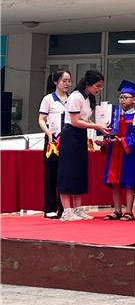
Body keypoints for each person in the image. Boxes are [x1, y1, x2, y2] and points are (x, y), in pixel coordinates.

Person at [58, 70, 110, 222]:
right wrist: (97, 126)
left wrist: (101, 128)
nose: (98, 89)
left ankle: (78, 208)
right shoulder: (76, 96)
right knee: (68, 171)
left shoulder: (88, 98)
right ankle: (66, 210)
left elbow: (86, 120)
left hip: (81, 135)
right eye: (97, 86)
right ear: (88, 84)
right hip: (71, 135)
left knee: (79, 171)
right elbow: (75, 121)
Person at [99, 80, 135, 222]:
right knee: (115, 181)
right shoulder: (115, 117)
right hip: (115, 152)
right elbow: (109, 134)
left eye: (125, 97)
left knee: (129, 181)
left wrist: (122, 140)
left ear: (134, 100)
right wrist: (105, 142)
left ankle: (129, 211)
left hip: (128, 154)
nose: (122, 100)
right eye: (121, 97)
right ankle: (117, 210)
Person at [38, 69, 71, 219]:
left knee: (65, 174)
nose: (67, 84)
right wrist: (48, 133)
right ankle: (50, 207)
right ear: (56, 82)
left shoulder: (71, 99)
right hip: (53, 139)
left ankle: (64, 208)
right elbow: (41, 119)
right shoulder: (48, 99)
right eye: (64, 81)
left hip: (67, 139)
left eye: (69, 81)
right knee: (51, 174)